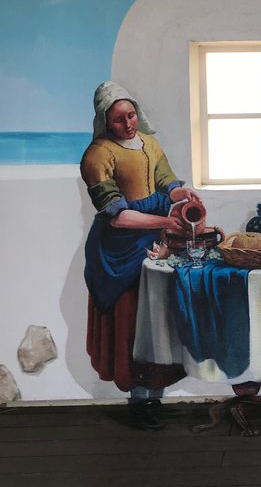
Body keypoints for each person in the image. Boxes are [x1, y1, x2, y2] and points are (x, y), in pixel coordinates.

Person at [80, 81, 201, 430]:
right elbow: (117, 216)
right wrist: (167, 221)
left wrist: (182, 193)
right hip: (118, 252)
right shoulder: (97, 155)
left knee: (158, 318)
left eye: (131, 115)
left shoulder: (149, 143)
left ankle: (155, 393)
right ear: (106, 120)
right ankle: (138, 400)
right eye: (119, 119)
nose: (128, 124)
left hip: (156, 240)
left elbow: (167, 182)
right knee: (131, 322)